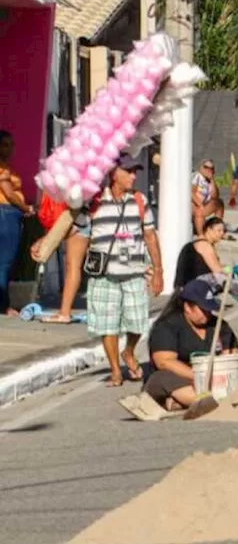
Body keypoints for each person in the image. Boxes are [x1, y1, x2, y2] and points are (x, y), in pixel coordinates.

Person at [77, 156, 163, 387]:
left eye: (135, 171)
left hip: (134, 271)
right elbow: (76, 229)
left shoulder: (139, 200)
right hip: (103, 272)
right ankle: (116, 369)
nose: (134, 176)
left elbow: (150, 236)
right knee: (107, 324)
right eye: (129, 171)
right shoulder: (94, 200)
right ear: (114, 173)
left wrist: (159, 271)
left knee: (138, 322)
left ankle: (129, 352)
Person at [118, 276, 237, 421]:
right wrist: (198, 376)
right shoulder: (167, 326)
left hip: (216, 378)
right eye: (203, 309)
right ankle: (199, 400)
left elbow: (231, 355)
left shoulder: (219, 326)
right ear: (187, 307)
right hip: (180, 377)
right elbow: (164, 362)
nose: (208, 314)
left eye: (209, 309)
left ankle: (184, 402)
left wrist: (221, 372)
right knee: (164, 378)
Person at [0, 130, 34, 316]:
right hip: (5, 213)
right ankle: (4, 305)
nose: (10, 148)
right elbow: (9, 194)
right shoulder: (2, 169)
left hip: (8, 214)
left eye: (11, 144)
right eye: (5, 144)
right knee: (4, 262)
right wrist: (25, 208)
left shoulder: (7, 167)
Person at [173, 216, 226, 290]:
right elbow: (217, 270)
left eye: (223, 231)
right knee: (224, 278)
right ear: (209, 230)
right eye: (219, 230)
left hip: (183, 286)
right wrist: (230, 269)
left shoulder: (197, 243)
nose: (222, 233)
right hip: (192, 286)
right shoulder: (204, 245)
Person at [190, 159, 224, 236]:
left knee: (219, 203)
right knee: (199, 211)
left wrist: (212, 180)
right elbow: (191, 193)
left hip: (203, 204)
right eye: (206, 167)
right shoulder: (197, 176)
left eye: (211, 168)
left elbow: (215, 196)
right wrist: (200, 205)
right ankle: (201, 234)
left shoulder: (209, 181)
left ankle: (217, 228)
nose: (208, 170)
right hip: (194, 204)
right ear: (201, 168)